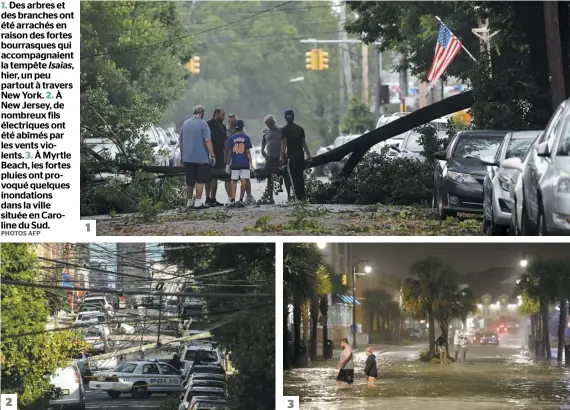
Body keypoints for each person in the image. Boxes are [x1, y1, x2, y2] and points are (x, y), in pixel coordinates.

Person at [179, 105, 216, 209]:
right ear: (202, 113)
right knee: (199, 181)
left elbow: (181, 141)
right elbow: (207, 140)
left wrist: (182, 156)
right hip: (201, 158)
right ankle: (198, 202)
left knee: (189, 181)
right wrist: (212, 154)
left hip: (188, 158)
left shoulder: (185, 123)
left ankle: (189, 202)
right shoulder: (203, 124)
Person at [280, 109, 311, 201]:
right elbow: (303, 143)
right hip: (300, 156)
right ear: (293, 117)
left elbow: (283, 144)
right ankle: (302, 196)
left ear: (285, 118)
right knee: (300, 176)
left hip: (291, 157)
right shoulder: (300, 129)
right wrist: (309, 155)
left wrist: (281, 157)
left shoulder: (284, 130)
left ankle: (297, 197)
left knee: (293, 177)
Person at [261, 114, 290, 203]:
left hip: (281, 156)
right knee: (269, 176)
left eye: (273, 123)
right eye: (270, 124)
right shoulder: (265, 131)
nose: (272, 125)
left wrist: (283, 156)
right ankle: (270, 197)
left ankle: (289, 196)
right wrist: (262, 149)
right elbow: (264, 140)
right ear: (267, 124)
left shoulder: (282, 130)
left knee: (286, 176)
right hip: (270, 157)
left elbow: (285, 143)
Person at [227, 113, 255, 204]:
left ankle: (232, 199)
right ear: (242, 128)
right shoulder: (246, 137)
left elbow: (230, 152)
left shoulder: (231, 138)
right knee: (244, 180)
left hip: (234, 162)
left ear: (235, 128)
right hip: (244, 162)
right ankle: (241, 199)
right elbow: (247, 152)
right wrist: (251, 163)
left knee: (234, 181)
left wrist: (228, 164)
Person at [206, 108, 231, 206]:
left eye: (224, 115)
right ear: (216, 114)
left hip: (220, 155)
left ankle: (213, 198)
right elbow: (206, 139)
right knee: (209, 178)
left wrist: (227, 153)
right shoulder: (208, 124)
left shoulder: (223, 127)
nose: (223, 117)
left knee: (218, 177)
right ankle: (207, 198)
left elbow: (225, 141)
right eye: (222, 115)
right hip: (210, 154)